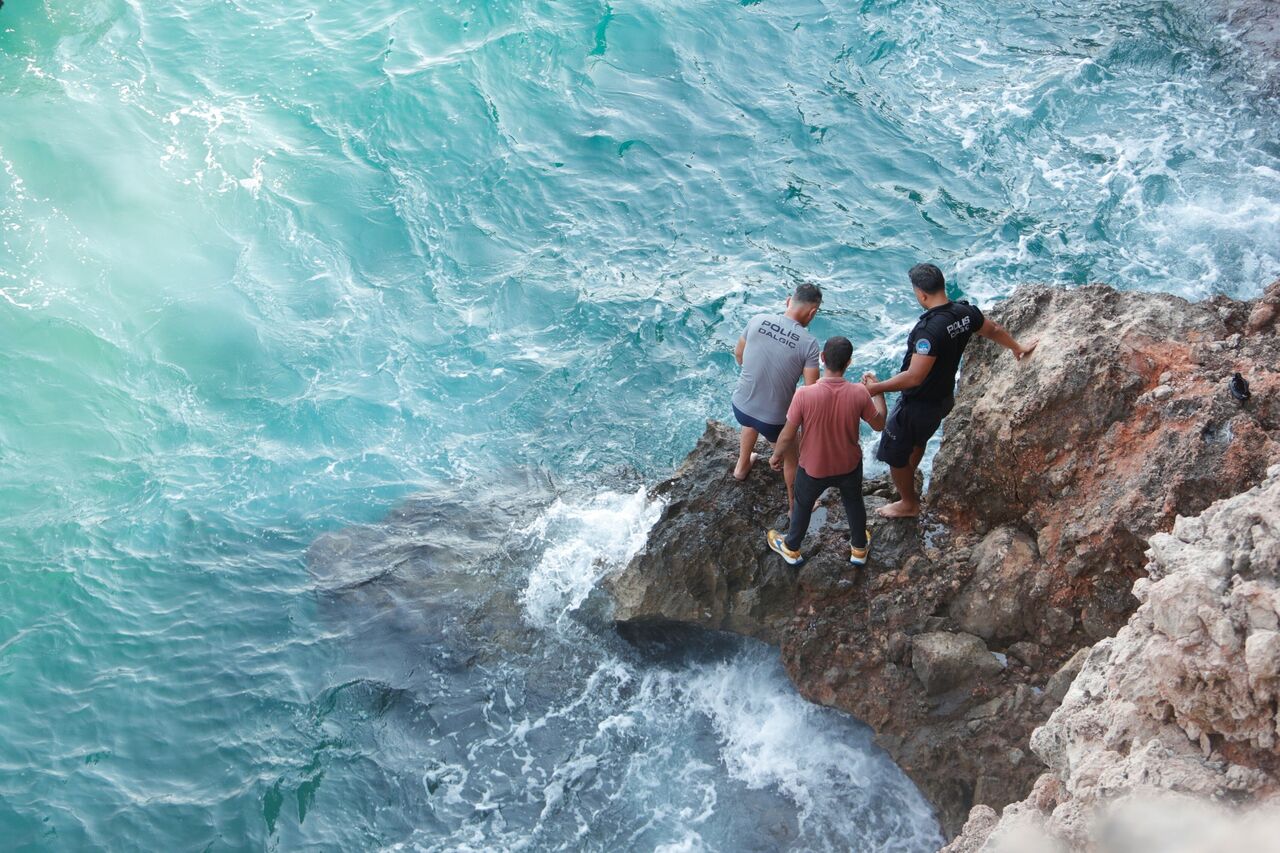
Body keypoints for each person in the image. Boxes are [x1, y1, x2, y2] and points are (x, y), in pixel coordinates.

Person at [865, 263, 1037, 519]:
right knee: (918, 440)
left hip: (919, 404)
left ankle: (908, 503)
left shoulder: (929, 330)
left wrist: (876, 387)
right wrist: (1017, 347)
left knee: (893, 454)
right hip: (943, 399)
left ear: (922, 294)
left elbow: (914, 377)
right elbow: (994, 330)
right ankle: (909, 476)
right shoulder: (964, 312)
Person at [765, 336, 887, 567]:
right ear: (849, 363)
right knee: (853, 502)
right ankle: (859, 548)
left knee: (802, 504)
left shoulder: (804, 394)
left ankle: (791, 548)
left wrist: (776, 455)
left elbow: (788, 433)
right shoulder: (860, 393)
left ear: (822, 358)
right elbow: (880, 425)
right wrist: (878, 393)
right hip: (848, 465)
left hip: (813, 468)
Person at [731, 283, 822, 512]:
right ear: (812, 312)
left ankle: (742, 467)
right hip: (773, 421)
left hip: (740, 406)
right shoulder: (808, 344)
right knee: (793, 457)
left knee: (752, 418)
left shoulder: (757, 319)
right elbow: (811, 391)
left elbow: (739, 355)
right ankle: (795, 507)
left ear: (788, 301)